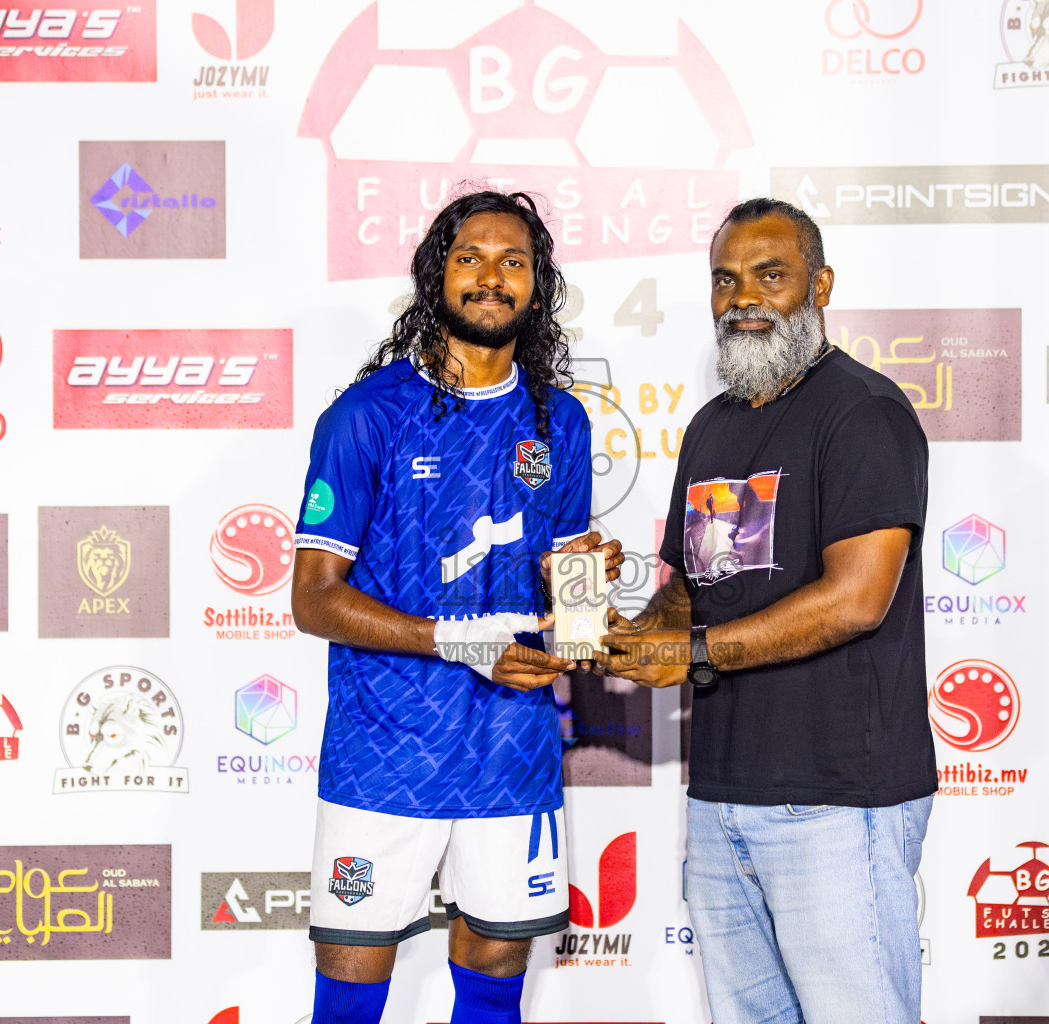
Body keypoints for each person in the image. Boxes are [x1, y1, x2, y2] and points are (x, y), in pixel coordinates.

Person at [593, 197, 936, 1024]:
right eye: (725, 279)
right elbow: (690, 593)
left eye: (770, 275)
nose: (743, 296)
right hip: (720, 796)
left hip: (836, 798)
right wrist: (617, 629)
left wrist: (699, 652)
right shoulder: (712, 426)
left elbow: (857, 598)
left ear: (819, 285)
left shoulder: (864, 412)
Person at [291, 189, 623, 1024]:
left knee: (495, 972)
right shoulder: (367, 416)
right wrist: (458, 643)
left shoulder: (561, 420)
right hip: (383, 749)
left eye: (513, 262)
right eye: (469, 258)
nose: (490, 278)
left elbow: (561, 581)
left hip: (510, 748)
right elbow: (315, 601)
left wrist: (585, 589)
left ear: (537, 289)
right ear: (435, 275)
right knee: (349, 995)